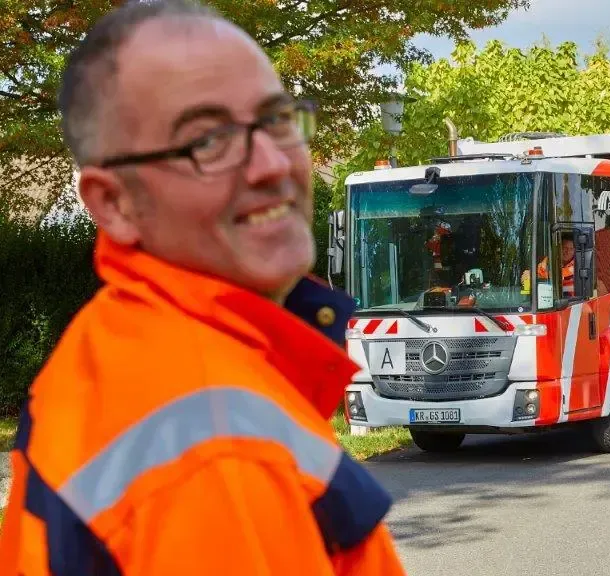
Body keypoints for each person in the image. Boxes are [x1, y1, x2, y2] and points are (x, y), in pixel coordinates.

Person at [0, 1, 407, 574]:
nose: (272, 165)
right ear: (112, 202)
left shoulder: (114, 348)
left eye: (276, 120)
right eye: (207, 142)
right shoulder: (217, 448)